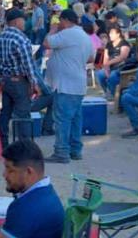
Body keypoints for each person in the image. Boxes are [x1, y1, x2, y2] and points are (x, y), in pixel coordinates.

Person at [43, 9, 94, 164]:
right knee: (75, 118)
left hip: (66, 84)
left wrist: (52, 29)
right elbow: (90, 57)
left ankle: (61, 152)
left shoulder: (67, 33)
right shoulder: (84, 36)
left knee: (62, 119)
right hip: (78, 83)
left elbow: (47, 43)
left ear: (64, 20)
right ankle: (75, 150)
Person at [0, 139, 65, 238]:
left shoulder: (25, 208)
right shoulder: (46, 191)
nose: (4, 174)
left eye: (10, 170)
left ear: (29, 172)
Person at [0, 8, 40, 143]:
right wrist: (34, 83)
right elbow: (28, 64)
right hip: (19, 81)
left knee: (5, 112)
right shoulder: (21, 38)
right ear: (16, 21)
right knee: (22, 114)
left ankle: (2, 143)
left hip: (6, 80)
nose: (25, 22)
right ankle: (24, 145)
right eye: (23, 20)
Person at [95, 26, 133, 100]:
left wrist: (109, 63)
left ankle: (117, 98)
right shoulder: (109, 44)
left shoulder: (124, 43)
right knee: (100, 74)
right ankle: (108, 92)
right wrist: (106, 68)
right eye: (110, 33)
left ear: (118, 34)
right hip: (110, 67)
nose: (110, 35)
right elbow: (105, 57)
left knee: (112, 77)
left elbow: (123, 57)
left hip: (122, 67)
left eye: (112, 34)